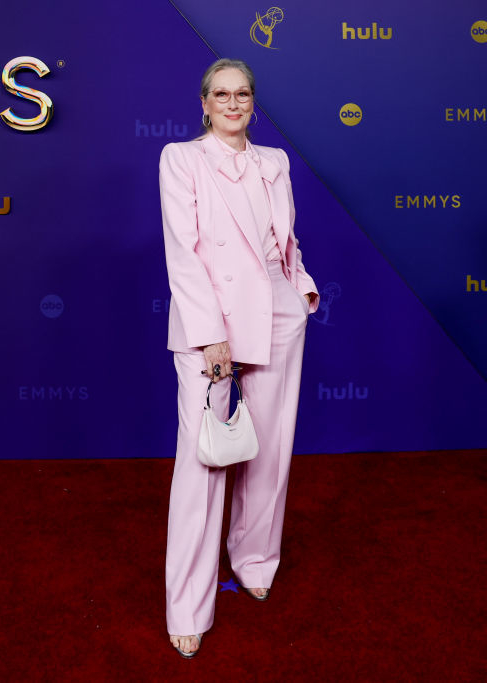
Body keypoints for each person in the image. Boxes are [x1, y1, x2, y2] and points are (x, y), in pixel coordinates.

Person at [160, 58, 319, 658]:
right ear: (204, 103)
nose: (233, 103)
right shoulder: (181, 159)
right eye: (221, 94)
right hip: (213, 325)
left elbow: (283, 238)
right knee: (202, 462)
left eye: (243, 94)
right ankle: (188, 603)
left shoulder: (274, 162)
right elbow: (184, 253)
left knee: (271, 448)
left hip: (279, 314)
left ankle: (255, 559)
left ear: (254, 102)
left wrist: (301, 286)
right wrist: (209, 334)